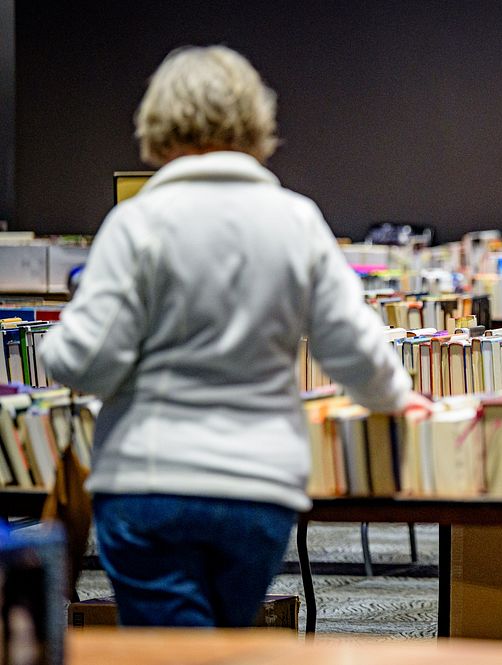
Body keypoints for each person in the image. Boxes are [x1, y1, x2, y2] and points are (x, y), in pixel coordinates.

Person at [39, 45, 430, 627]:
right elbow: (350, 344)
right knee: (228, 640)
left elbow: (90, 360)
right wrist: (398, 397)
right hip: (259, 490)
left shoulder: (138, 222)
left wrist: (55, 344)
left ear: (157, 124)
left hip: (152, 483)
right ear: (256, 121)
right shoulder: (296, 219)